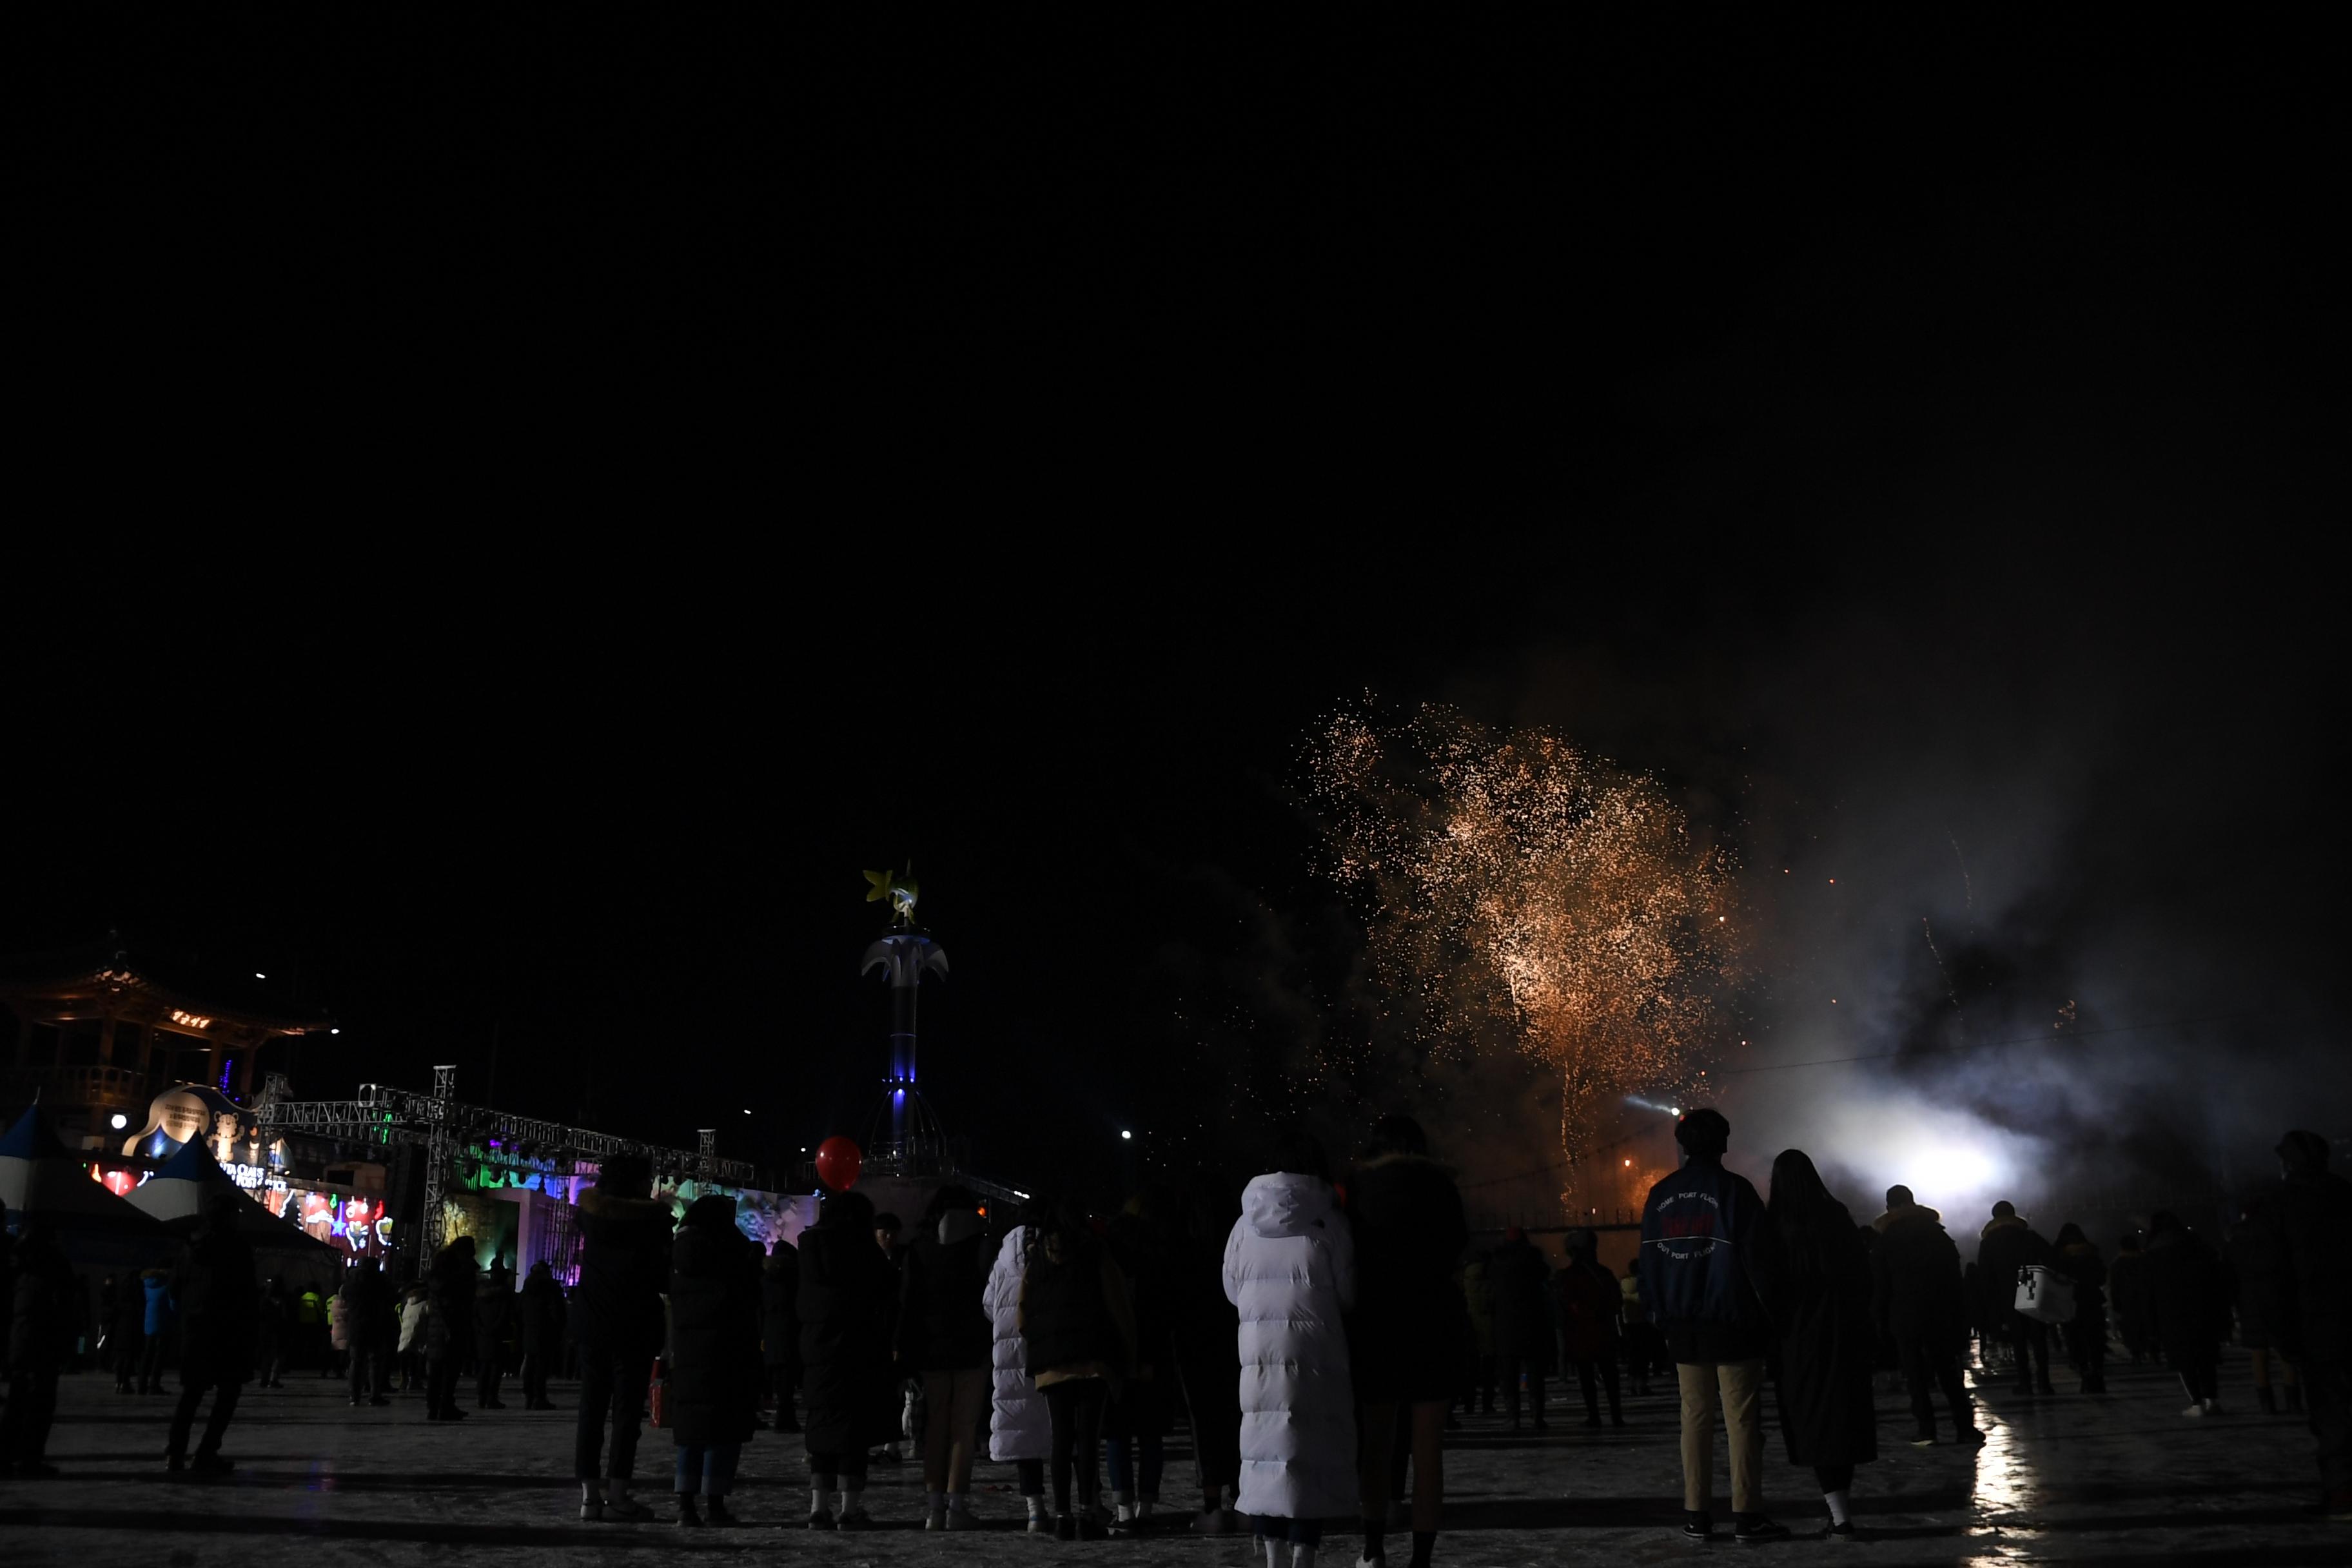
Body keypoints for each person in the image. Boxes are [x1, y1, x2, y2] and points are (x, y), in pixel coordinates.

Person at [1638, 1107, 1787, 1546]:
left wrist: (1658, 1313)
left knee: (1694, 1419)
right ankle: (1747, 1515)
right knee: (1741, 1420)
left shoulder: (1659, 1194)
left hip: (1682, 1324)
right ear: (1723, 1144)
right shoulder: (1736, 1190)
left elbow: (1650, 1264)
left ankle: (1696, 1515)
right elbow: (1761, 1262)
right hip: (1734, 1321)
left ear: (1683, 1146)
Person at [1225, 1127, 1357, 1568]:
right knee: (1308, 1449)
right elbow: (1348, 1292)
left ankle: (1273, 1550)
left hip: (1258, 1352)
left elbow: (1231, 1289)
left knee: (1266, 1449)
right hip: (1316, 1349)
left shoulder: (1243, 1225)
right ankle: (1304, 1553)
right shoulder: (1330, 1222)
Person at [1346, 1113, 1468, 1568]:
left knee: (1376, 1445)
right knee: (1428, 1449)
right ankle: (1421, 1557)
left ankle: (1372, 1548)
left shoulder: (1359, 1191)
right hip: (1433, 1322)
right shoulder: (1443, 1188)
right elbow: (1458, 1246)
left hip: (1378, 1324)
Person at [1766, 1151, 1877, 1540]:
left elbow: (1770, 1288)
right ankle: (1843, 1509)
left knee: (1815, 1422)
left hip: (1798, 1340)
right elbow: (1863, 1277)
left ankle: (1839, 1514)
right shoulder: (1837, 1218)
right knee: (1843, 1418)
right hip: (1844, 1332)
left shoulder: (1774, 1226)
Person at [1022, 1193, 1138, 1539]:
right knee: (1088, 1440)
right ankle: (1087, 1515)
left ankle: (1061, 1517)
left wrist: (1041, 1340)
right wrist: (1127, 1356)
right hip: (1092, 1359)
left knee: (1061, 1439)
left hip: (1052, 1363)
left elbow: (1022, 1312)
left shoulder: (1038, 1260)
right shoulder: (1096, 1254)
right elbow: (1119, 1306)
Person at [572, 1153, 674, 1522]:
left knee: (591, 1409)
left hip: (593, 1322)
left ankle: (588, 1497)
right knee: (627, 1414)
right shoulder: (653, 1222)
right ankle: (618, 1495)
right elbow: (663, 1278)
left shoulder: (589, 1215)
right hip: (635, 1325)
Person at [2260, 1129, 2352, 1520]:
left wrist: (2283, 1335)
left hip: (2318, 1327)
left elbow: (2276, 1276)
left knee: (2332, 1413)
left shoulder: (2282, 1205)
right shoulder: (2347, 1195)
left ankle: (2344, 1495)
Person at [799, 1188, 900, 1529]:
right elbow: (888, 1293)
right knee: (853, 1435)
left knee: (822, 1428)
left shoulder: (810, 1249)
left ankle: (818, 1509)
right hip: (860, 1352)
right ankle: (849, 1509)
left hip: (818, 1352)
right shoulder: (866, 1252)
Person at [896, 1185, 993, 1531]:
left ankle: (934, 1507)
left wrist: (906, 1356)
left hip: (931, 1351)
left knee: (936, 1427)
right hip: (972, 1349)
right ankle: (956, 1505)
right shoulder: (981, 1247)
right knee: (963, 1430)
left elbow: (908, 1306)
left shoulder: (919, 1250)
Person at [667, 1193, 762, 1526]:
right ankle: (715, 1504)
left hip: (690, 1355)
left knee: (691, 1430)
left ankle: (685, 1505)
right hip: (728, 1352)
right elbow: (748, 1298)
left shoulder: (681, 1256)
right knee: (722, 1431)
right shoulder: (730, 1255)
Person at [1870, 1186, 1977, 1447]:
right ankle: (1965, 1427)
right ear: (1913, 1202)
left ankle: (1926, 1429)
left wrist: (1880, 1320)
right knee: (1948, 1372)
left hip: (1905, 1314)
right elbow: (1954, 1278)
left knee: (1915, 1375)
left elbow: (1881, 1285)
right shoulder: (1937, 1233)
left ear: (1888, 1207)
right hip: (1940, 1312)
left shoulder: (1886, 1239)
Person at [1170, 1174, 1244, 1533]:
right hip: (1235, 1334)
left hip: (1193, 1340)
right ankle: (1243, 1495)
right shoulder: (1237, 1238)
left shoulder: (1182, 1245)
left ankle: (1212, 1505)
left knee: (1205, 1420)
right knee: (1239, 1413)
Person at [166, 1194, 259, 1475]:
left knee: (191, 1395)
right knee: (228, 1394)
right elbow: (246, 1293)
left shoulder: (189, 1247)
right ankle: (206, 1452)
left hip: (196, 1330)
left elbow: (175, 1290)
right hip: (228, 1331)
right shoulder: (237, 1247)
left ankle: (176, 1453)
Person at [1106, 1187, 1179, 1536]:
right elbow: (1162, 1310)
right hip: (1153, 1355)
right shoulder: (1161, 1252)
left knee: (1117, 1434)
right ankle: (1146, 1506)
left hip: (1115, 1353)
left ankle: (1123, 1511)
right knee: (1150, 1435)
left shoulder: (1111, 1249)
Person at [986, 1200, 1055, 1531]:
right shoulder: (1054, 1248)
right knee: (1059, 1429)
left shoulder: (1002, 1259)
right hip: (1051, 1348)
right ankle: (1074, 1506)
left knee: (1024, 1432)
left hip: (1011, 1355)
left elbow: (988, 1303)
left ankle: (1034, 1510)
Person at [3, 1218, 75, 1475]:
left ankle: (7, 1455)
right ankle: (30, 1458)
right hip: (44, 1341)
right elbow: (64, 1308)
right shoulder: (55, 1266)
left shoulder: (19, 1264)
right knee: (40, 1403)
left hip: (20, 1339)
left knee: (17, 1400)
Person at [2144, 1208, 2230, 1415]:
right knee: (2206, 1357)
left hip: (2172, 1315)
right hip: (2203, 1310)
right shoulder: (2198, 1247)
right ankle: (2212, 1400)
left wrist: (2152, 1325)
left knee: (2185, 1360)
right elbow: (2218, 1280)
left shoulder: (2153, 1254)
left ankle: (2197, 1403)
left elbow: (2149, 1293)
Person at [1977, 1202, 2055, 1396]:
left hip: (2006, 1293)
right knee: (2038, 1339)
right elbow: (2051, 1259)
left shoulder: (1988, 1242)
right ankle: (2044, 1382)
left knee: (2018, 1340)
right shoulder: (2029, 1236)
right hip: (2031, 1287)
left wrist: (1991, 1304)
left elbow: (1985, 1276)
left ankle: (2025, 1382)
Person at [2229, 1198, 2299, 1414]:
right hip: (2279, 1299)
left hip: (2250, 1302)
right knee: (2285, 1352)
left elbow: (2230, 1275)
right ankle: (2294, 1401)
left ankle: (2267, 1404)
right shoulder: (2278, 1236)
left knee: (2258, 1354)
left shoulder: (2236, 1241)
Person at [1486, 1226, 1553, 1432]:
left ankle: (1513, 1418)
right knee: (1535, 1376)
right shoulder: (1535, 1262)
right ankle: (1537, 1417)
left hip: (1506, 1326)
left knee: (1509, 1375)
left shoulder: (1496, 1264)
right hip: (1533, 1324)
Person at [426, 1236, 480, 1422]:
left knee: (437, 1369)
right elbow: (457, 1303)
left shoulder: (439, 1273)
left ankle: (434, 1407)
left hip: (437, 1327)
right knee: (450, 1369)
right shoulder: (459, 1275)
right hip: (453, 1326)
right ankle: (445, 1405)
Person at [2050, 1223, 2108, 1395]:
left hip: (2070, 1302)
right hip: (2092, 1301)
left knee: (2075, 1338)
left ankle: (2084, 1373)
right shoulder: (2092, 1253)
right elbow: (2102, 1277)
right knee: (2095, 1339)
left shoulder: (2059, 1255)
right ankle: (2097, 1373)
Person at [338, 1258, 395, 1407]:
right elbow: (391, 1296)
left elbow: (343, 1295)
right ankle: (375, 1395)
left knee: (356, 1362)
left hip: (356, 1326)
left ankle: (354, 1396)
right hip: (376, 1324)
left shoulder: (350, 1283)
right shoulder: (380, 1282)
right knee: (375, 1362)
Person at [760, 1240, 801, 1431]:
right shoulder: (794, 1279)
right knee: (788, 1379)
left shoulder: (766, 1279)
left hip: (771, 1333)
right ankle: (786, 1418)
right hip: (790, 1332)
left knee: (778, 1378)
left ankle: (783, 1416)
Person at [518, 1260, 567, 1410]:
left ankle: (529, 1395)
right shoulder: (550, 1287)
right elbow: (556, 1311)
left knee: (531, 1363)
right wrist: (559, 1327)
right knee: (541, 1367)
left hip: (529, 1329)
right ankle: (539, 1397)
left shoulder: (527, 1288)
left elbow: (520, 1308)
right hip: (546, 1331)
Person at [474, 1257, 515, 1409]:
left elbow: (475, 1314)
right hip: (498, 1334)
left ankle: (481, 1397)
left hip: (483, 1334)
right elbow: (506, 1314)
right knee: (496, 1368)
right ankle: (491, 1397)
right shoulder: (504, 1293)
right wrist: (496, 1327)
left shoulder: (480, 1293)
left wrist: (481, 1328)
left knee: (484, 1367)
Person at [2108, 1233, 2155, 1365]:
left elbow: (2115, 1286)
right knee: (2148, 1326)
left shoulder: (2117, 1263)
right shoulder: (2145, 1260)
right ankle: (2153, 1352)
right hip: (2146, 1299)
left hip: (2127, 1301)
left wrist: (2116, 1303)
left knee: (2131, 1328)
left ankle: (2136, 1354)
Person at [1460, 1252, 1498, 1413]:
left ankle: (1469, 1404)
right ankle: (1487, 1404)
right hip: (1489, 1330)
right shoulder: (1491, 1282)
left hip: (1471, 1331)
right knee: (1489, 1372)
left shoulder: (1466, 1281)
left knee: (1470, 1371)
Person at [141, 1263, 177, 1394]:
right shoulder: (167, 1286)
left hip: (149, 1324)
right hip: (163, 1323)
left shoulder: (147, 1285)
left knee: (147, 1354)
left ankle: (142, 1384)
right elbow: (173, 1305)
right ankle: (154, 1385)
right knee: (159, 1356)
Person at [106, 1273, 144, 1395]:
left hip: (119, 1333)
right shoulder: (135, 1303)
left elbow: (111, 1317)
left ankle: (119, 1382)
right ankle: (125, 1383)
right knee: (128, 1359)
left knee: (120, 1359)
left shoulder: (119, 1302)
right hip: (131, 1332)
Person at [255, 1276, 289, 1388]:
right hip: (277, 1331)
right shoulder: (281, 1301)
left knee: (267, 1356)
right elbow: (284, 1316)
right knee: (278, 1356)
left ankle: (265, 1378)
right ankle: (273, 1378)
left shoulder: (265, 1300)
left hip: (265, 1330)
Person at [397, 1284, 429, 1392]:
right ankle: (413, 1382)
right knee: (415, 1360)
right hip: (417, 1336)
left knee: (405, 1359)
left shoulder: (407, 1304)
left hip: (404, 1335)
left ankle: (403, 1382)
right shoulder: (425, 1304)